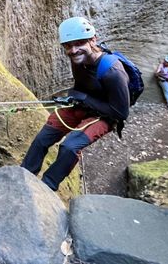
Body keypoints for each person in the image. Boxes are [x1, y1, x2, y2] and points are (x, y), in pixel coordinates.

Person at [20, 17, 130, 191]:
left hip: (105, 115)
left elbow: (121, 113)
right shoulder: (77, 59)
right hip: (81, 105)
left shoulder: (112, 72)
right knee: (43, 137)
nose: (73, 50)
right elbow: (82, 85)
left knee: (70, 147)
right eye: (68, 46)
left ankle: (48, 185)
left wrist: (84, 99)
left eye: (79, 44)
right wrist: (72, 98)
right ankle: (25, 173)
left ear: (93, 40)